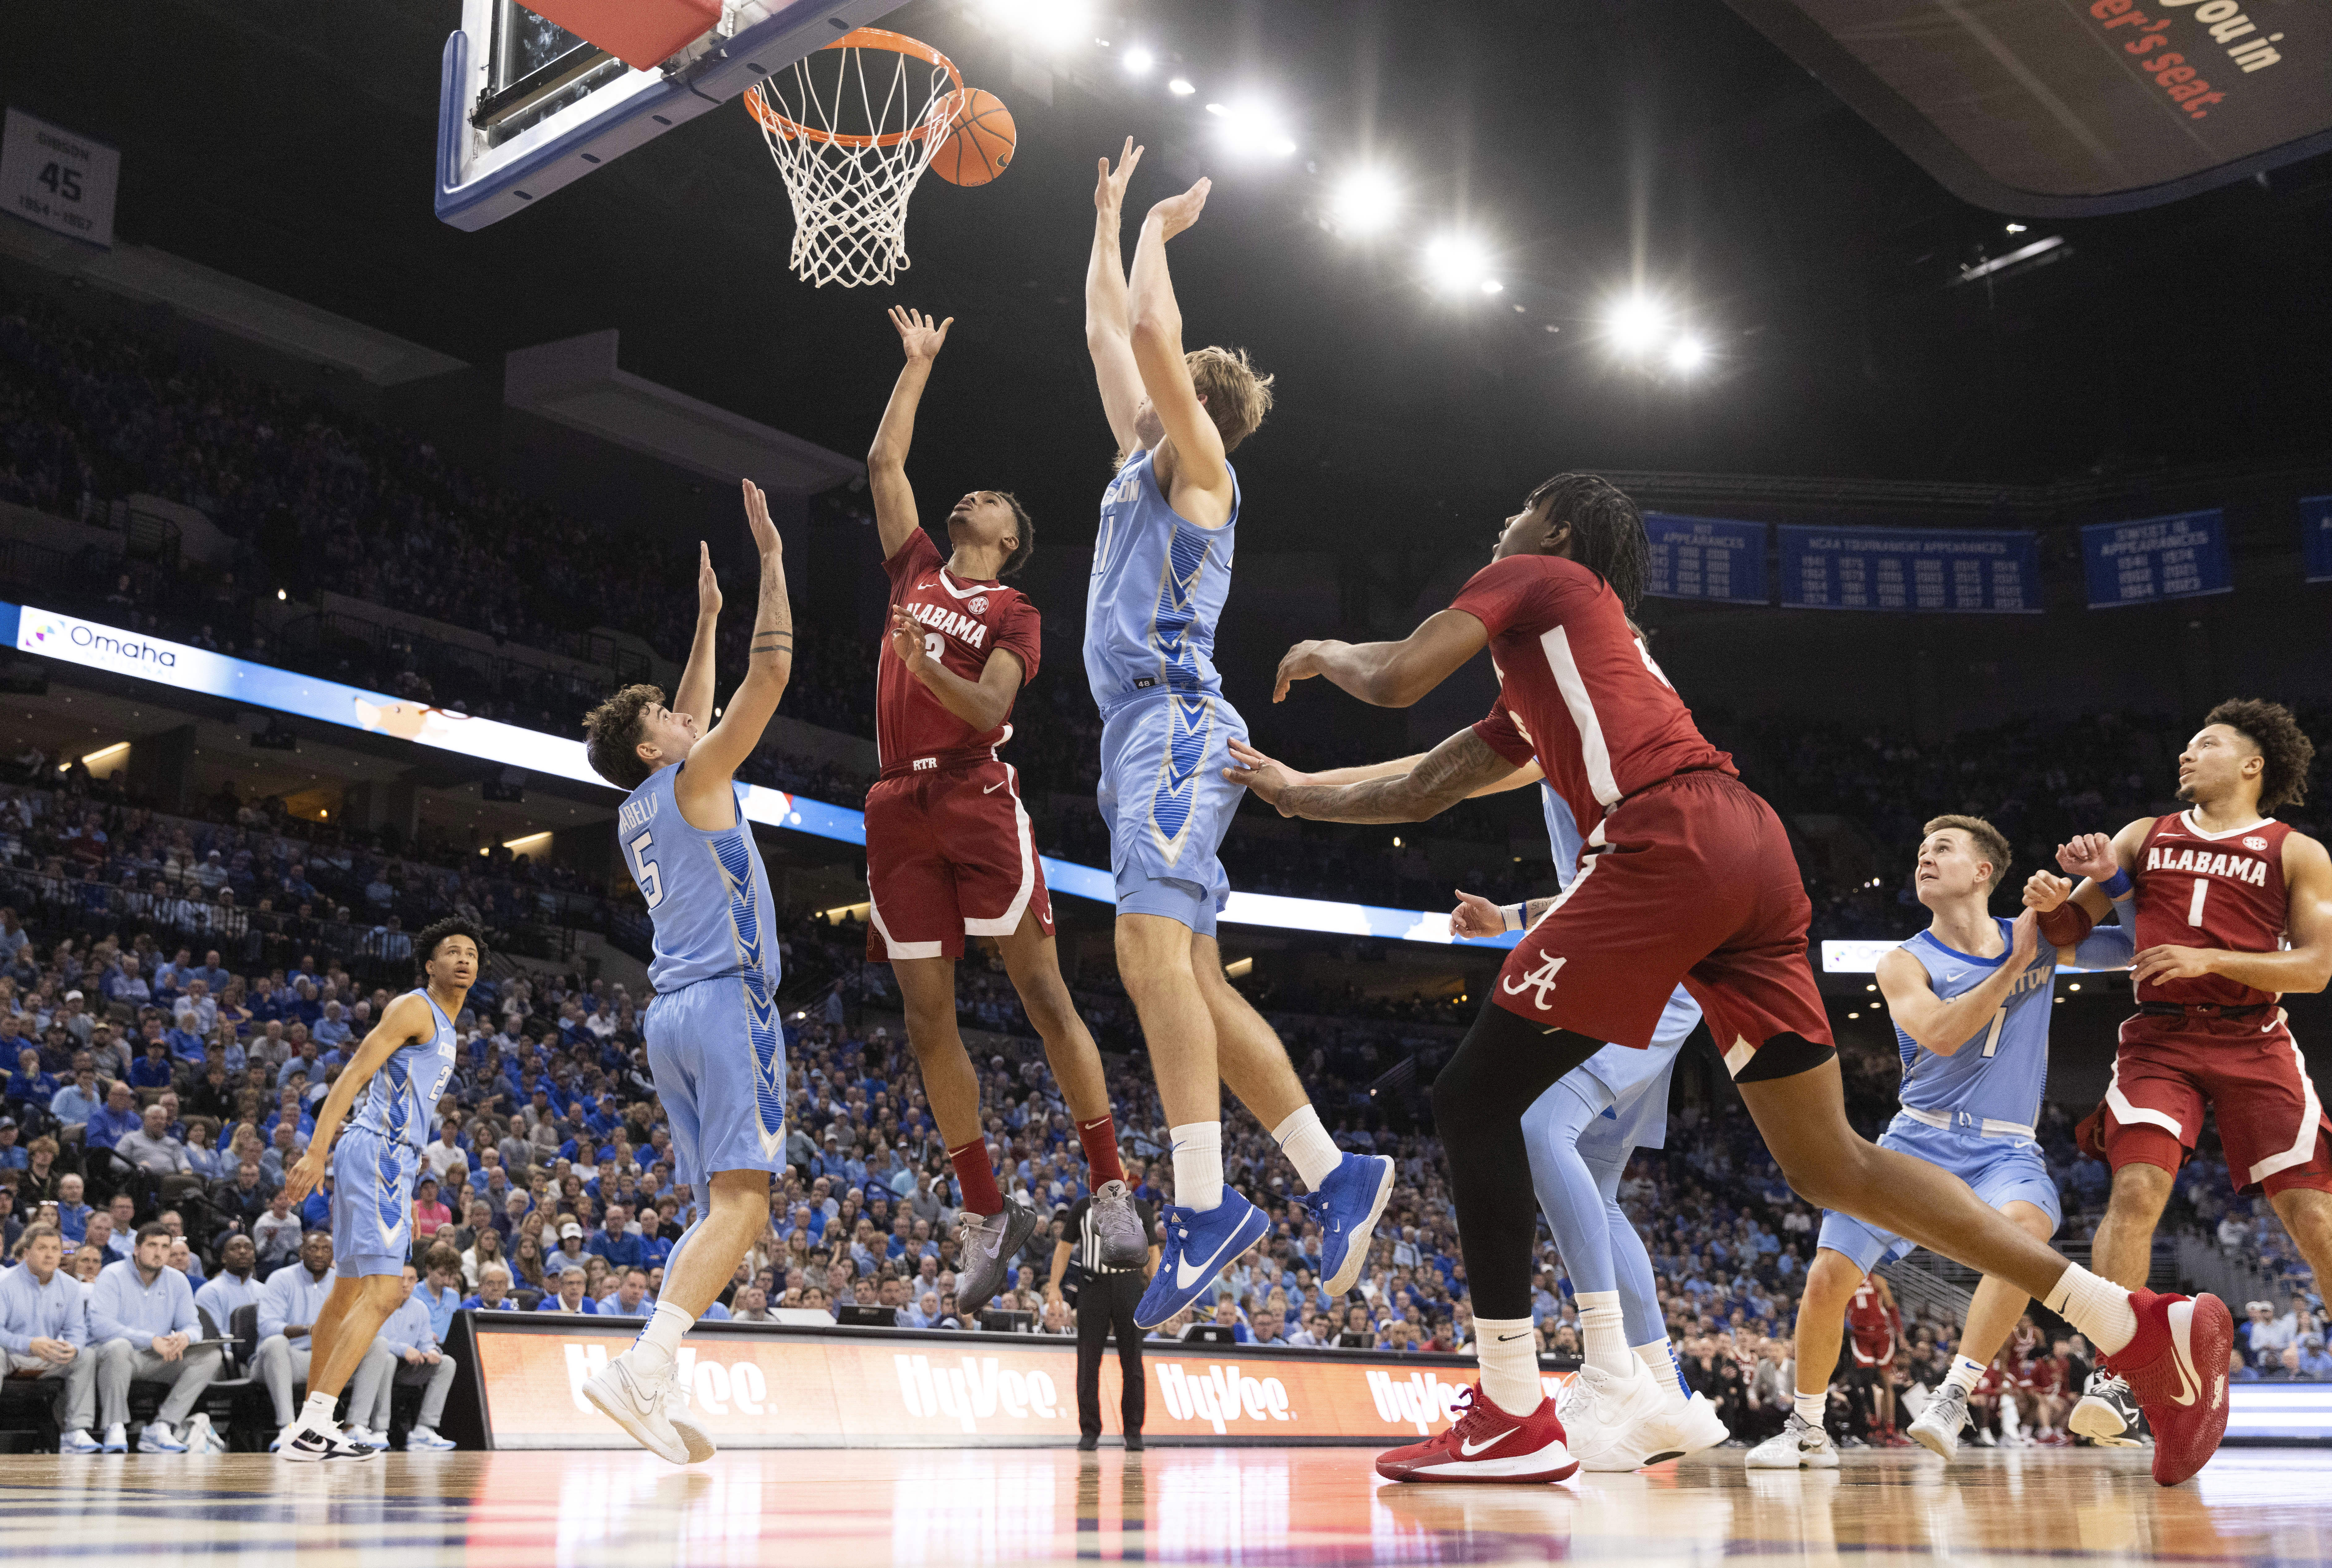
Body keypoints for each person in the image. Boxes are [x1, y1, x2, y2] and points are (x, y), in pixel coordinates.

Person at [1226, 472, 2234, 1486]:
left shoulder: (1535, 578)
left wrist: (1328, 653)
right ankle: (2132, 1324)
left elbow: (1397, 677)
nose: (1499, 525)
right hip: (1746, 853)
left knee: (1472, 1099)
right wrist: (1293, 793)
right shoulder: (1572, 665)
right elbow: (1421, 782)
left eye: (1516, 511)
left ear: (1558, 530)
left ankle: (1508, 1410)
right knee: (1831, 1166)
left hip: (1664, 841)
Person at [1080, 137, 1393, 1329]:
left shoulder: (1202, 468)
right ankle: (1334, 1171)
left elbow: (1152, 345)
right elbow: (1113, 338)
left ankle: (1205, 1206)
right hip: (1140, 736)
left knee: (1145, 957)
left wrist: (1161, 237)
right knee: (1196, 978)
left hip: (1171, 721)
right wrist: (1108, 222)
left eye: (1169, 399)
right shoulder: (1138, 463)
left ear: (1197, 413)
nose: (1147, 403)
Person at [1300, 731, 1730, 1470]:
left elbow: (1428, 773)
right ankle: (1668, 1393)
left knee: (1534, 1124)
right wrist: (1509, 916)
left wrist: (1301, 783)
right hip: (1659, 959)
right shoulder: (1632, 733)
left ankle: (1610, 1371)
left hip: (1641, 965)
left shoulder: (1585, 713)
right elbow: (1607, 880)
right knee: (1600, 1187)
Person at [860, 304, 1147, 1312]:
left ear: (1008, 539)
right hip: (895, 806)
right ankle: (987, 1210)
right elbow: (883, 465)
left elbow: (989, 706)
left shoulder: (1009, 610)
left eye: (988, 499)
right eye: (967, 491)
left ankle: (1110, 1187)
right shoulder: (915, 570)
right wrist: (917, 367)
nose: (966, 494)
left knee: (1039, 993)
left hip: (974, 791)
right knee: (923, 1017)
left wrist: (925, 664)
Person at [1746, 818, 2137, 1467]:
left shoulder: (2036, 934)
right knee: (1827, 1278)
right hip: (1916, 1140)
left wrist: (2107, 878)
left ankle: (1954, 1394)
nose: (1925, 857)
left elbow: (2130, 941)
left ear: (1984, 871)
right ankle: (1806, 1428)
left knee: (2026, 1232)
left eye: (1943, 849)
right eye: (1921, 849)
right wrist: (2014, 964)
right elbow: (1942, 1035)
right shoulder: (1904, 959)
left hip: (2004, 1147)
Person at [2029, 701, 2332, 1450]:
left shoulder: (2296, 850)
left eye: (2207, 744)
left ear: (2252, 764)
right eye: (2188, 744)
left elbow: (2317, 967)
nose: (2187, 756)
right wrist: (2057, 900)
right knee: (2134, 1191)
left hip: (2254, 1036)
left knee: (2314, 1218)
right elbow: (2069, 938)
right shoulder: (2143, 835)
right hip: (2160, 1039)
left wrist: (2214, 958)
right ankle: (2117, 1374)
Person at [575, 480, 793, 1468]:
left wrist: (706, 616)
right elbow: (772, 674)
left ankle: (648, 1376)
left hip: (670, 1015)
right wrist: (774, 565)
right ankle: (647, 1365)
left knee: (719, 1208)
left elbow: (696, 711)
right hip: (725, 1004)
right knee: (745, 1207)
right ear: (651, 745)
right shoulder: (698, 776)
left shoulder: (641, 803)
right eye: (666, 713)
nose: (680, 712)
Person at [274, 917, 479, 1462]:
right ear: (429, 966)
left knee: (347, 1293)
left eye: (472, 954)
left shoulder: (450, 1027)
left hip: (392, 1161)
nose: (464, 959)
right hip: (377, 1152)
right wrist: (316, 1149)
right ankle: (316, 1422)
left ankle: (306, 1428)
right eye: (452, 952)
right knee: (387, 1294)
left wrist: (407, 1190)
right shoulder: (413, 1008)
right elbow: (352, 1076)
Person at [89, 1221, 224, 1453]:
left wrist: (185, 1337)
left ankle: (163, 1425)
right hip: (119, 1357)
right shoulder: (112, 1275)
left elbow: (194, 1326)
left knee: (210, 1357)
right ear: (137, 1249)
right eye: (152, 1245)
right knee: (118, 1347)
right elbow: (101, 1326)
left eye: (164, 1247)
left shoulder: (178, 1280)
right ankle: (115, 1426)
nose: (158, 1252)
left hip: (158, 1358)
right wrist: (151, 1339)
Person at [1048, 1185, 1160, 1451]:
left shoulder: (1141, 1208)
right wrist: (1054, 1286)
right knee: (1088, 1362)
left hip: (1129, 1284)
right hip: (1093, 1286)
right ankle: (1089, 1431)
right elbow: (1064, 1248)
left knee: (1132, 1362)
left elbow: (1153, 1251)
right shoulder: (1082, 1207)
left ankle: (1134, 1432)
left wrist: (1157, 1289)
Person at [0, 1223, 101, 1453]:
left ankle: (76, 1431)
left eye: (56, 1249)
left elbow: (77, 1330)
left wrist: (72, 1347)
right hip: (11, 1355)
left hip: (49, 1356)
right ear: (27, 1253)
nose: (50, 1254)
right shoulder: (5, 1283)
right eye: (42, 1248)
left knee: (86, 1355)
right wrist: (30, 1344)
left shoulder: (71, 1287)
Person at [346, 1263, 459, 1451]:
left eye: (411, 1280)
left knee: (447, 1363)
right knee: (387, 1358)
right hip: (373, 1366)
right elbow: (368, 1341)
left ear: (417, 1282)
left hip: (408, 1368)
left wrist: (432, 1352)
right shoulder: (374, 1303)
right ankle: (379, 1429)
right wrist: (403, 1349)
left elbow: (426, 1342)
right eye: (400, 1279)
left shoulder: (420, 1308)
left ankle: (424, 1429)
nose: (405, 1285)